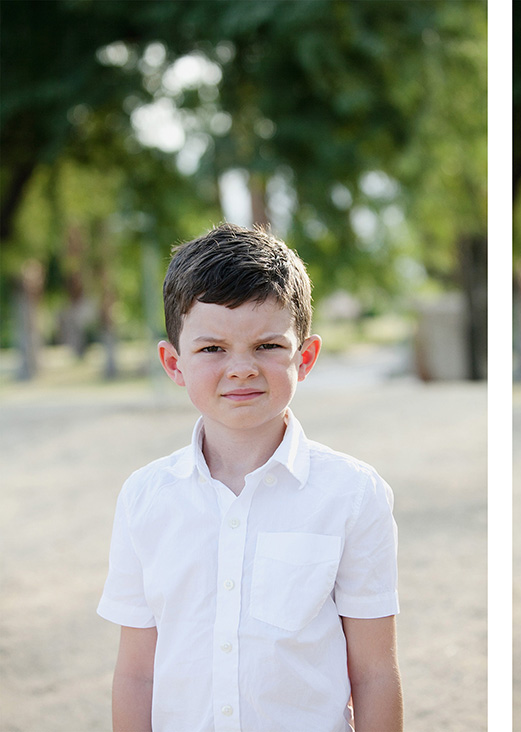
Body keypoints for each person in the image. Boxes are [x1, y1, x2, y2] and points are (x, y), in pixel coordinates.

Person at [98, 223, 402, 732]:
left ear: (304, 358)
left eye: (266, 346)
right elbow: (136, 675)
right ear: (174, 364)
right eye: (212, 349)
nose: (241, 368)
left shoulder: (353, 494)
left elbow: (373, 673)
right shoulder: (144, 499)